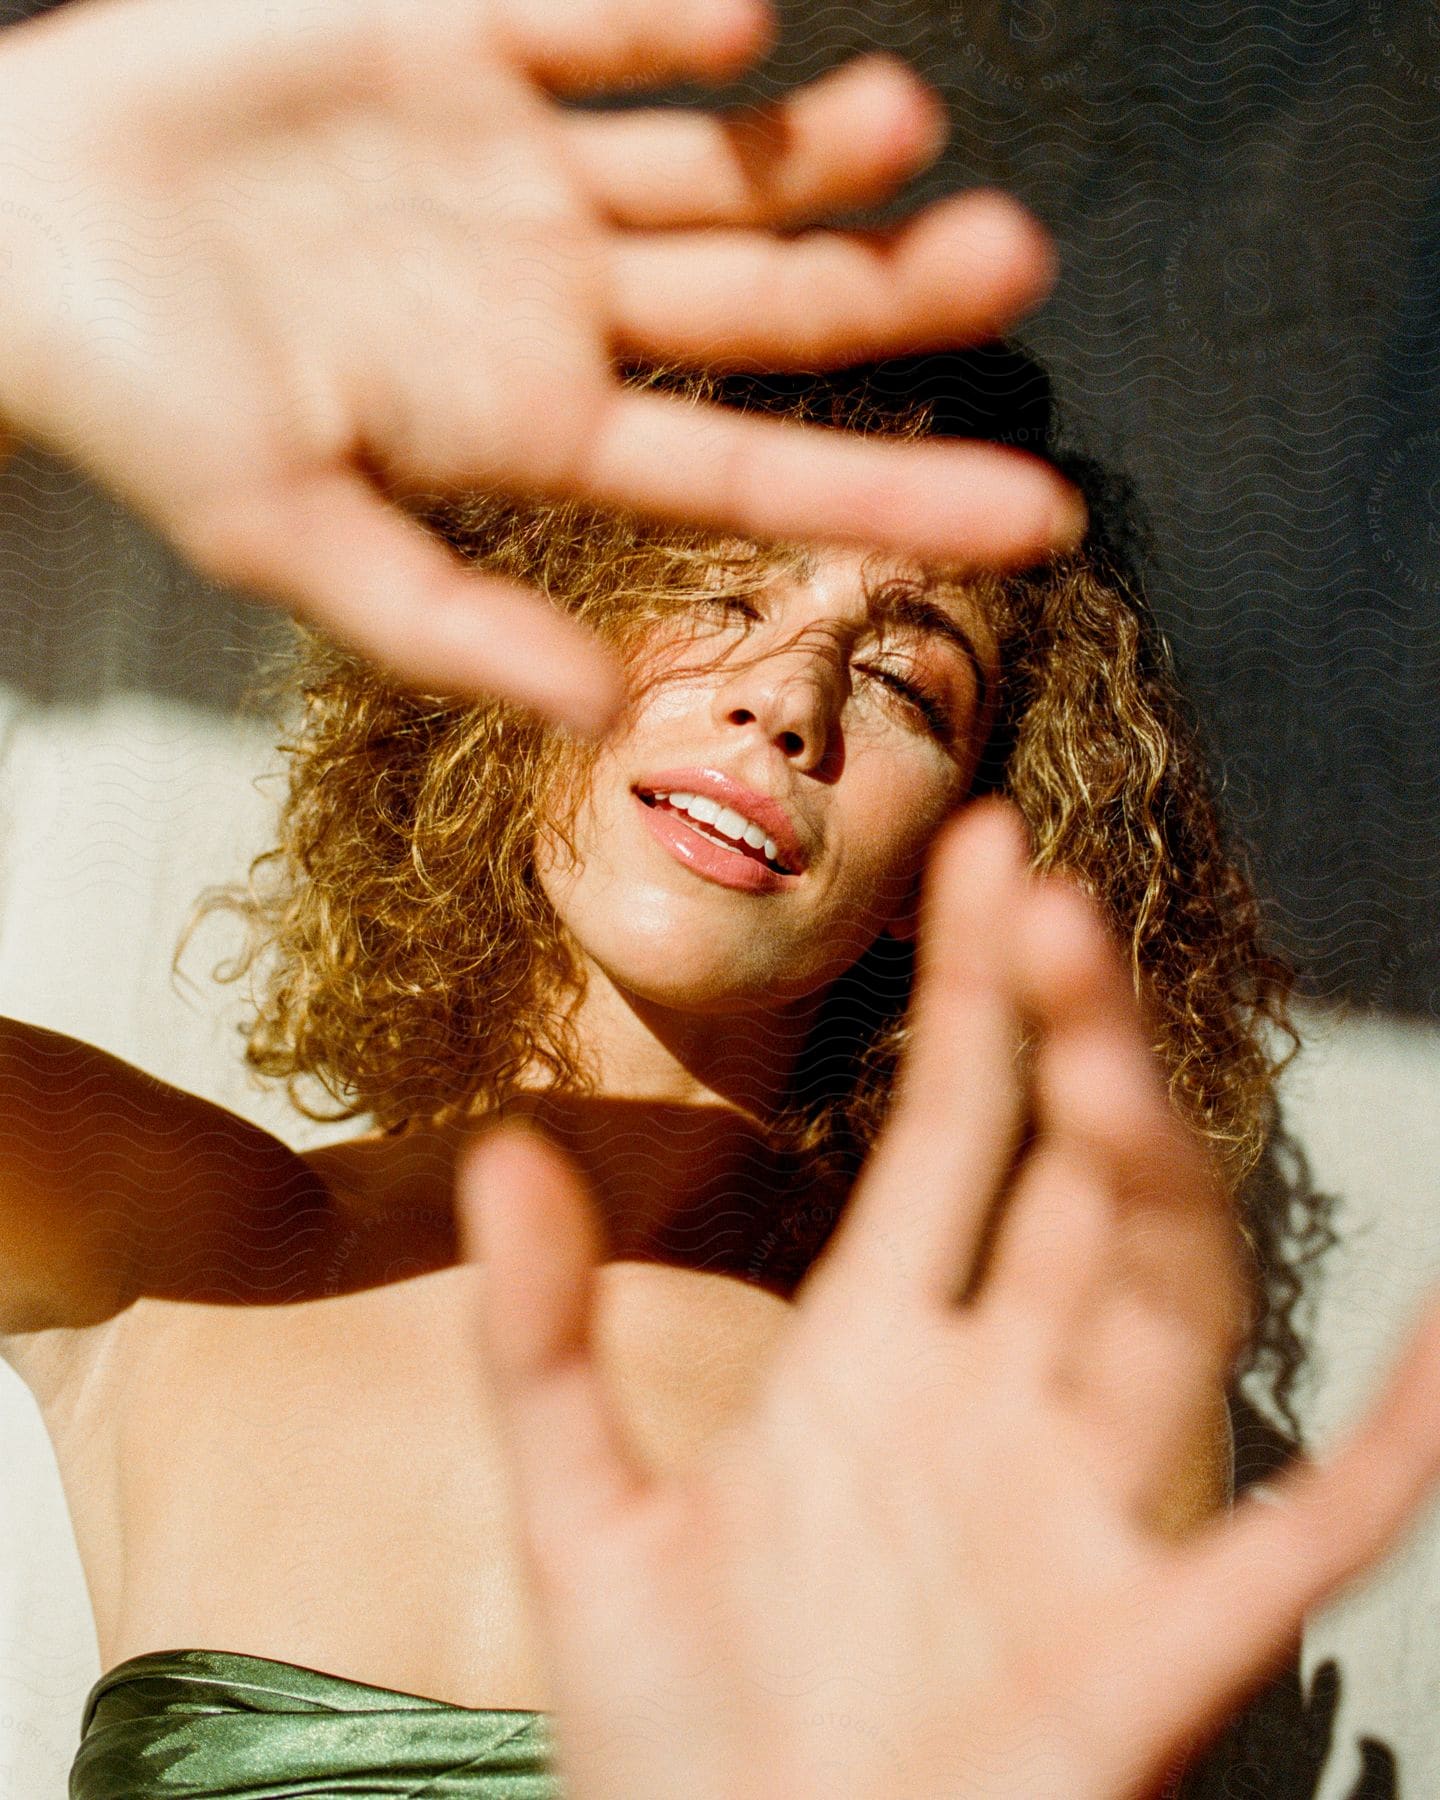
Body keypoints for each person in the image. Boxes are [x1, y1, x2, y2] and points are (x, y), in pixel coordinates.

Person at [0, 2, 1437, 1798]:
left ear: (955, 867)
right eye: (708, 589)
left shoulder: (1017, 1407)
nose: (792, 697)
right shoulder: (171, 1241)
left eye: (910, 681)